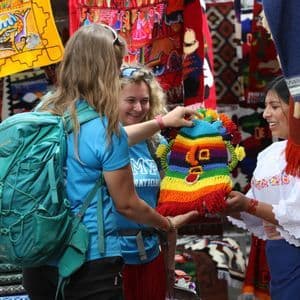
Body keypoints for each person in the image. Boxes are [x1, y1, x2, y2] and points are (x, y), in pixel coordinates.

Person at [22, 23, 199, 300]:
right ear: (105, 70)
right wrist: (165, 225)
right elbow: (127, 204)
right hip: (89, 261)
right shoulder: (106, 131)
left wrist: (161, 122)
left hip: (40, 258)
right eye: (116, 66)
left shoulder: (44, 112)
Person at [225, 75, 300, 300]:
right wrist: (222, 204)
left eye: (274, 106)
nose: (266, 114)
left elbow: (296, 213)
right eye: (266, 106)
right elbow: (253, 213)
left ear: (296, 108)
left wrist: (249, 204)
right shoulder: (269, 155)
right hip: (279, 261)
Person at [116, 64, 173, 300]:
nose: (139, 108)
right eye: (130, 100)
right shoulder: (100, 140)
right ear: (111, 99)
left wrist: (169, 266)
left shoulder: (156, 144)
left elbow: (167, 208)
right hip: (112, 260)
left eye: (145, 100)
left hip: (151, 256)